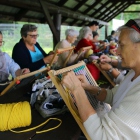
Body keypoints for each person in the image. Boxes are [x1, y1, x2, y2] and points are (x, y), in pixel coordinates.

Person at [62, 19, 140, 139]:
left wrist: (77, 90)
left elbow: (103, 136)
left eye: (122, 45)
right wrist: (88, 87)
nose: (117, 51)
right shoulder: (133, 73)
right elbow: (114, 96)